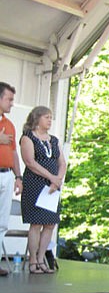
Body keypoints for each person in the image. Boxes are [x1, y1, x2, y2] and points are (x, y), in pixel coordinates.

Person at [19, 106, 65, 275]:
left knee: (50, 224)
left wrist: (57, 179)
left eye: (51, 117)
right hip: (35, 184)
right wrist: (51, 177)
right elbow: (30, 162)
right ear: (37, 119)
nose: (50, 120)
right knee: (36, 223)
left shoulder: (53, 140)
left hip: (52, 188)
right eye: (47, 117)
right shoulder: (28, 138)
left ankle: (41, 259)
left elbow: (62, 162)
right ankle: (32, 261)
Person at [0, 82, 23, 277]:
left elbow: (14, 152)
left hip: (6, 174)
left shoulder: (9, 124)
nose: (12, 103)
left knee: (2, 221)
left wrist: (18, 176)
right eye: (9, 99)